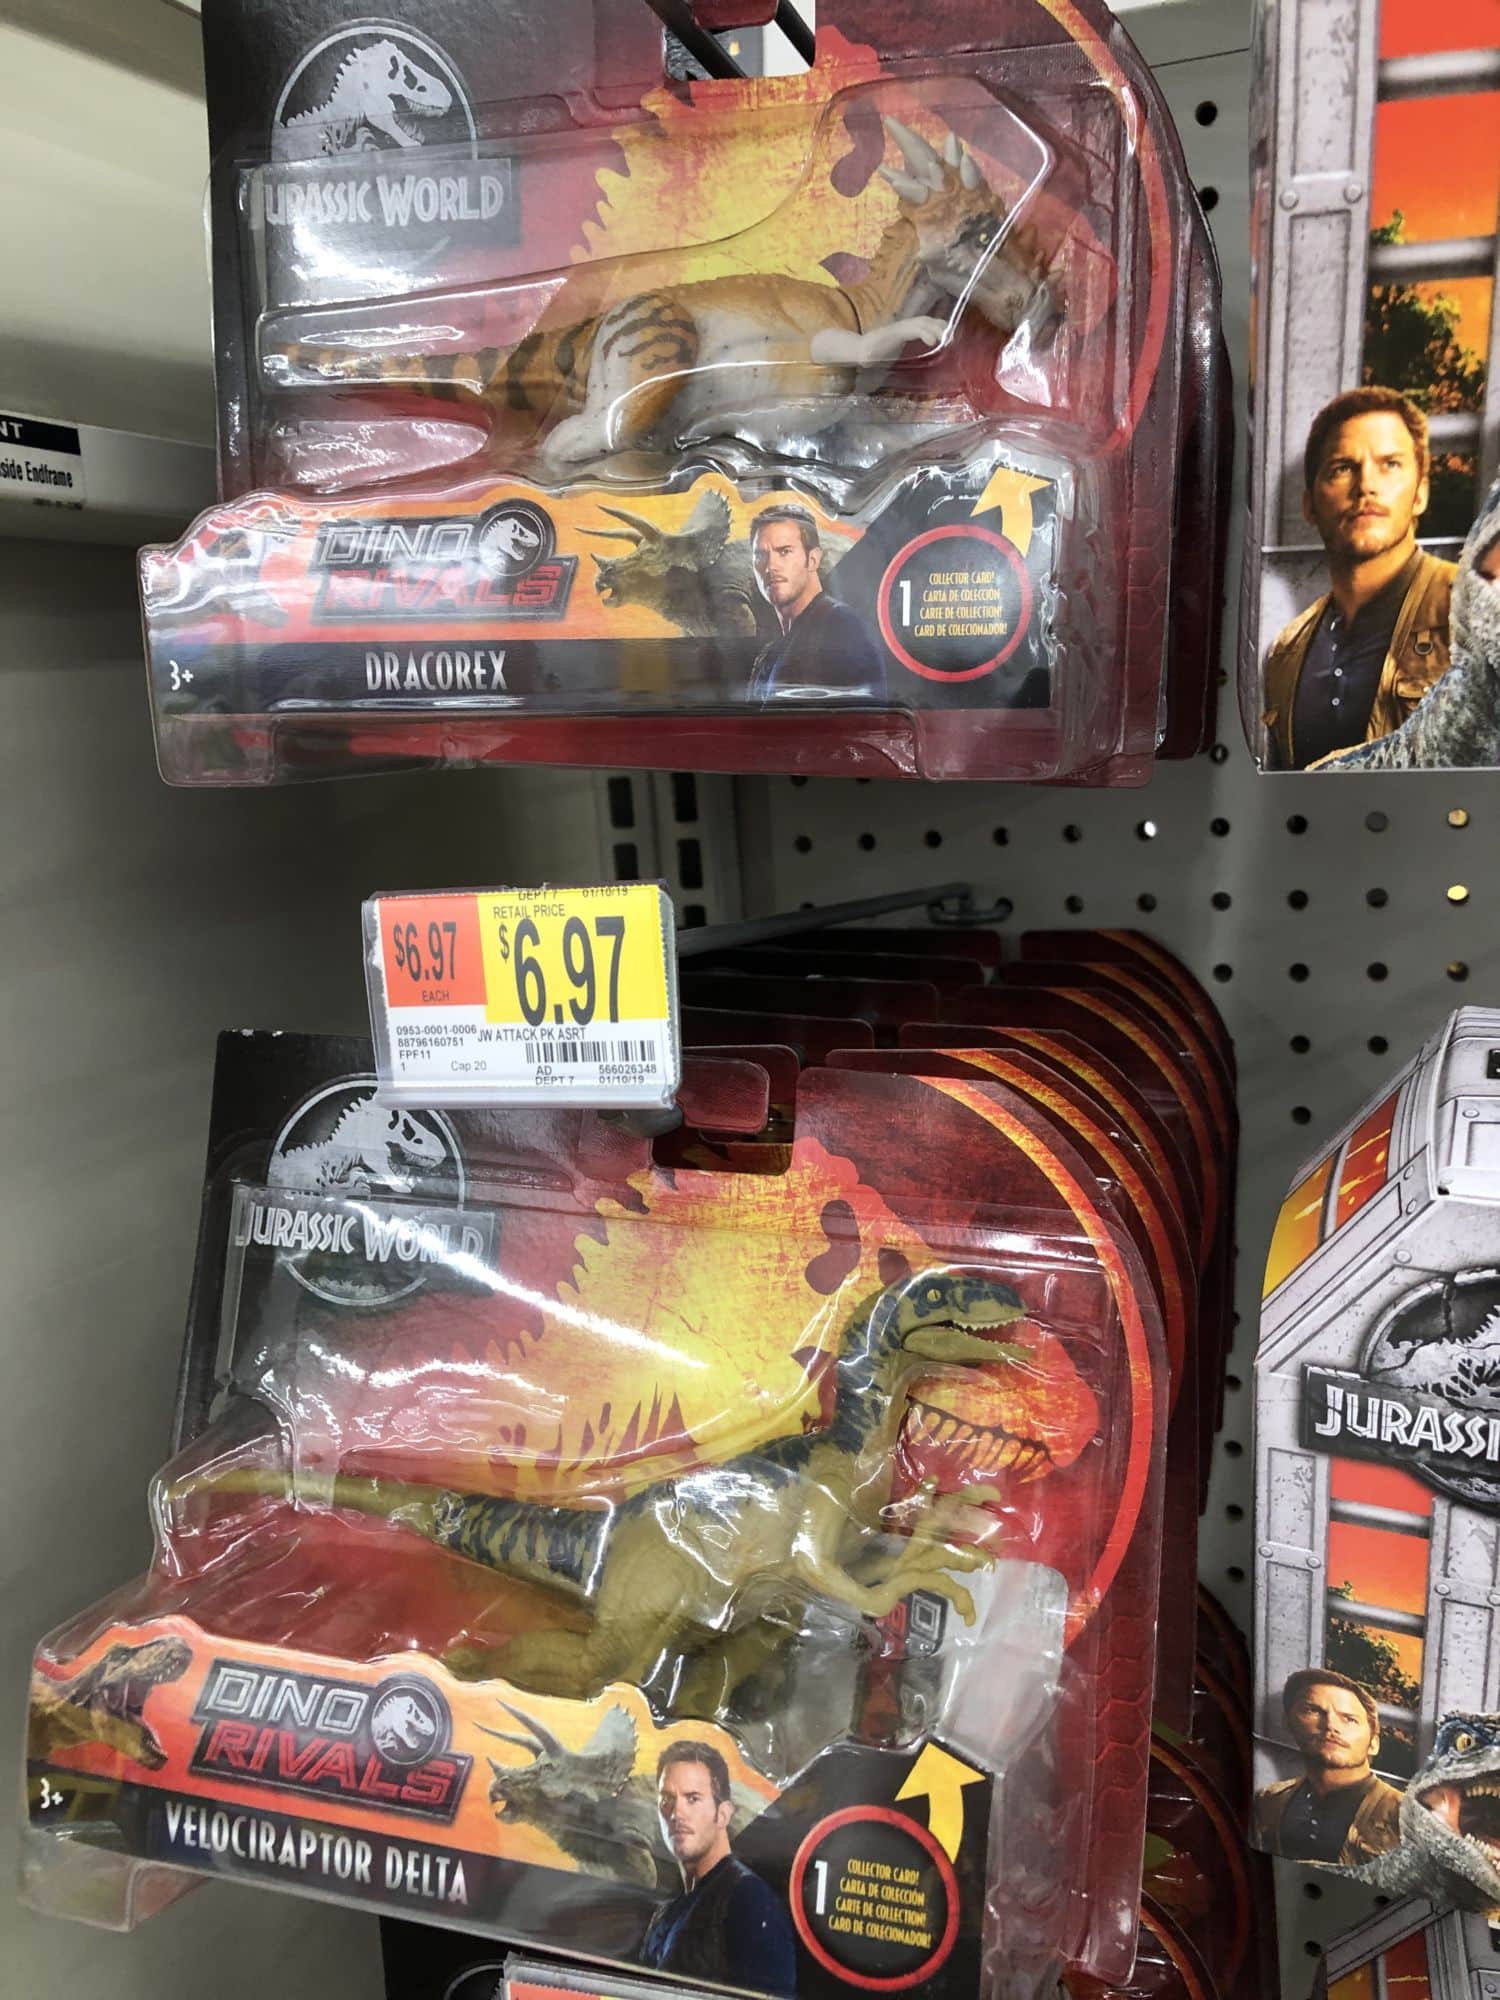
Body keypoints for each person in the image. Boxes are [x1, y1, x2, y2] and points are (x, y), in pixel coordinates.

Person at [1262, 387, 1456, 768]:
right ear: (1309, 505)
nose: (1366, 485)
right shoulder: (1286, 650)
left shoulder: (1473, 610)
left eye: (1390, 464)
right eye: (1342, 468)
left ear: (1420, 493)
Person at [639, 1741, 797, 1997]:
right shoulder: (669, 1912)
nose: (676, 1813)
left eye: (693, 1799)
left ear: (723, 1814)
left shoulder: (749, 1899)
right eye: (667, 1799)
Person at [1252, 1668, 1402, 1865]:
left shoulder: (1406, 1816)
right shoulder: (1269, 1799)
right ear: (1289, 1724)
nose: (1331, 1725)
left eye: (1349, 1719)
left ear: (1374, 1743)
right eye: (1312, 1711)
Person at [747, 503, 886, 702]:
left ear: (813, 559)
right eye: (760, 555)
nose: (770, 566)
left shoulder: (842, 627)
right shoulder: (772, 652)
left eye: (784, 552)